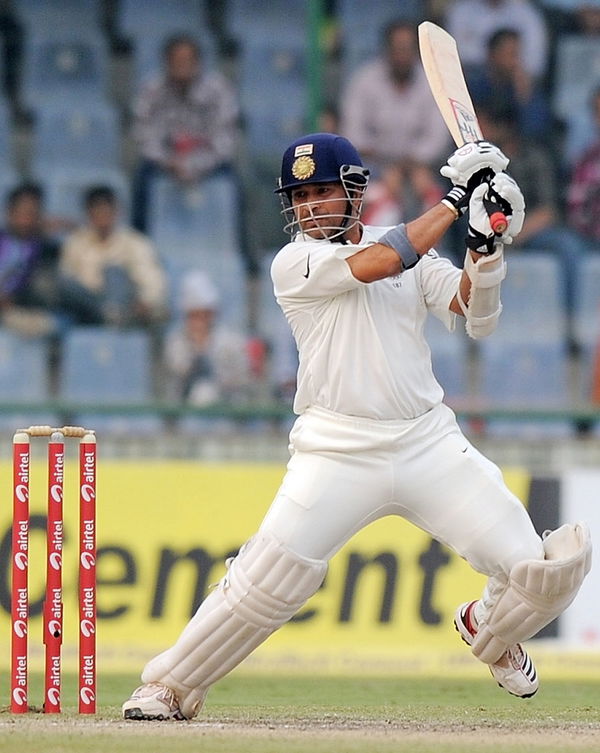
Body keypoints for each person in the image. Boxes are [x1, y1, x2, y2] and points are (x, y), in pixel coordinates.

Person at [121, 133, 591, 721]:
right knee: (268, 581)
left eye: (322, 191)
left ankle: (488, 631)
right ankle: (167, 687)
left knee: (542, 575)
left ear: (354, 191)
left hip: (428, 444)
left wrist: (484, 245)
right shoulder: (295, 261)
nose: (311, 206)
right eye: (301, 196)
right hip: (335, 449)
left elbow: (477, 317)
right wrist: (455, 199)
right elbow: (380, 262)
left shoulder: (410, 252)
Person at [130, 33, 240, 233]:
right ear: (166, 62)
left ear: (198, 62)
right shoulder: (151, 89)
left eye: (187, 60)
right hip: (165, 164)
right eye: (176, 60)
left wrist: (194, 165)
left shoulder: (219, 90)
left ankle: (242, 249)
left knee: (238, 185)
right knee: (141, 182)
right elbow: (143, 135)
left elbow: (225, 139)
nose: (182, 65)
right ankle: (141, 242)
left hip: (208, 164)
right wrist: (168, 162)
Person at [59, 185, 167, 328]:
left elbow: (152, 280)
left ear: (116, 212)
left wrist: (146, 301)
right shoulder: (75, 243)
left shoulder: (134, 242)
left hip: (125, 307)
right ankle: (107, 316)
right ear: (89, 214)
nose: (102, 218)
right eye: (97, 212)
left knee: (114, 272)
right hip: (87, 308)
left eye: (106, 212)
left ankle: (112, 319)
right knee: (61, 282)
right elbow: (69, 282)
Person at [164, 270, 251, 405]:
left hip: (227, 411)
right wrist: (198, 348)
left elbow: (243, 379)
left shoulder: (231, 342)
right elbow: (178, 373)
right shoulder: (176, 342)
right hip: (186, 415)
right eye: (194, 316)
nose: (199, 321)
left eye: (204, 315)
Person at [0, 182, 62, 336]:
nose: (25, 221)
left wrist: (12, 299)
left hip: (20, 310)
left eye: (31, 214)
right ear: (9, 213)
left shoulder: (48, 251)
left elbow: (43, 292)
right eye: (20, 214)